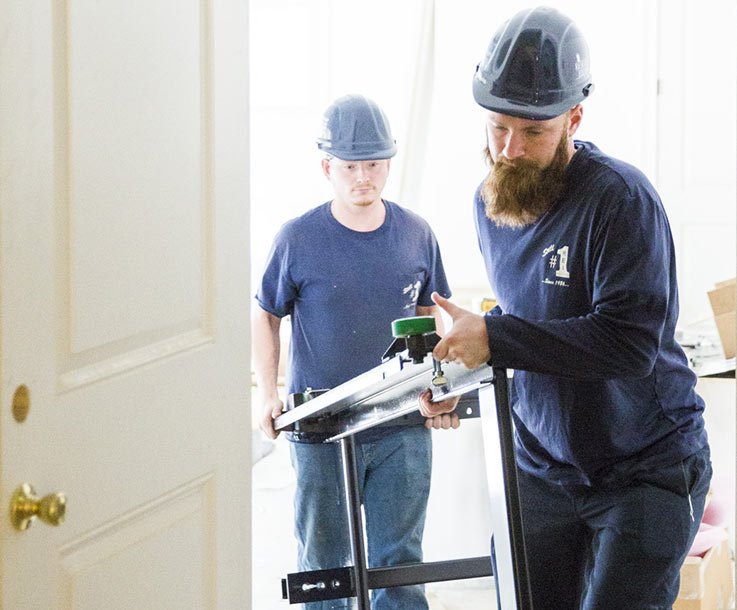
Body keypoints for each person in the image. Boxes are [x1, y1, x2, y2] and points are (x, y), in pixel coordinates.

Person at [419, 6, 713, 609]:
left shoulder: (620, 200)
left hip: (645, 469)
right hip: (543, 466)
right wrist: (456, 374)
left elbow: (627, 343)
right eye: (499, 128)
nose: (510, 149)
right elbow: (531, 323)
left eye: (534, 132)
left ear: (573, 118)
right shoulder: (490, 202)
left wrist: (495, 338)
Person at [253, 94, 457, 610]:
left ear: (389, 163)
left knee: (399, 564)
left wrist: (442, 387)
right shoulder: (297, 238)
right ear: (327, 167)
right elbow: (266, 314)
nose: (363, 176)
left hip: (402, 426)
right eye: (350, 166)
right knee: (324, 567)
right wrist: (267, 395)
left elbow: (436, 315)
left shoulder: (416, 234)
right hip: (321, 428)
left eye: (374, 163)